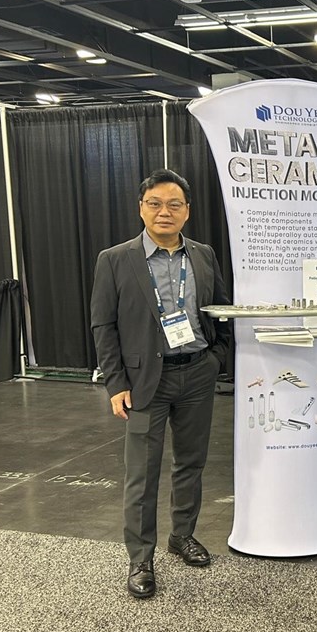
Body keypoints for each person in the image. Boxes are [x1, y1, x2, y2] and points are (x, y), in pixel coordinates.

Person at [91, 168, 232, 597]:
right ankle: (140, 558)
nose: (164, 212)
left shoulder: (203, 255)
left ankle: (181, 535)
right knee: (142, 472)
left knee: (191, 463)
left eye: (174, 204)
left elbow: (220, 309)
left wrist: (217, 358)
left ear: (187, 211)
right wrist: (116, 382)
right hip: (143, 382)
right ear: (141, 208)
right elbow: (103, 325)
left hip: (197, 374)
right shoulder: (115, 259)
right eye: (155, 204)